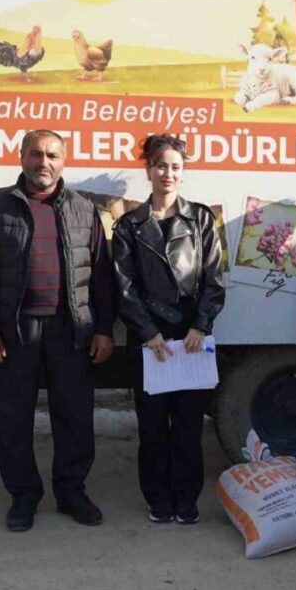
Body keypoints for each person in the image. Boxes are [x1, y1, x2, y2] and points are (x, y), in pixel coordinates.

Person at [0, 129, 117, 532]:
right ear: (21, 158)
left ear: (64, 161)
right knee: (12, 420)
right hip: (15, 334)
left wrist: (103, 328)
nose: (43, 162)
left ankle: (71, 492)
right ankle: (23, 497)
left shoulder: (85, 209)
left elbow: (101, 276)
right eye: (35, 154)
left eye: (52, 155)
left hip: (71, 332)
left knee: (75, 418)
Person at [111, 134, 226, 525]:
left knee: (189, 426)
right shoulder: (129, 226)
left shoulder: (201, 218)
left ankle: (187, 500)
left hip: (191, 338)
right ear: (148, 170)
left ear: (184, 171)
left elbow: (214, 278)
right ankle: (158, 499)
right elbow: (123, 286)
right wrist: (147, 332)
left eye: (176, 166)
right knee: (153, 426)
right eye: (161, 165)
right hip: (150, 340)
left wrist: (201, 325)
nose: (168, 173)